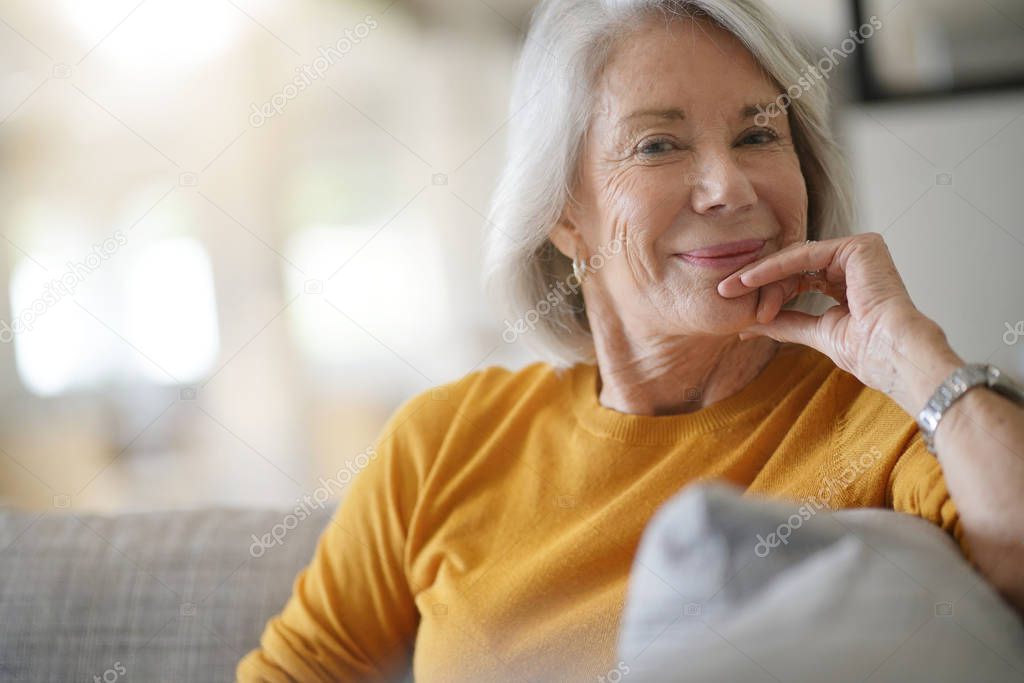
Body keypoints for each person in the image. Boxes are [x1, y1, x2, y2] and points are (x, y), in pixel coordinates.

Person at [237, 1, 1024, 680]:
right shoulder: (441, 441)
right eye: (659, 144)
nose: (729, 186)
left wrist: (914, 354)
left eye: (757, 135)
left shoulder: (888, 417)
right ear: (565, 214)